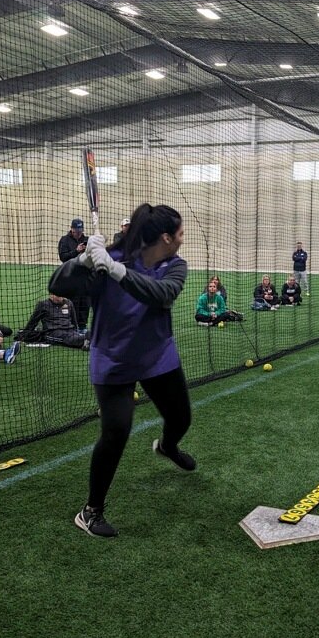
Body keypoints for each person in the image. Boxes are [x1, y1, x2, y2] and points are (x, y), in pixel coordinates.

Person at [49, 202, 195, 539]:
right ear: (165, 237)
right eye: (180, 233)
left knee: (181, 419)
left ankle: (168, 447)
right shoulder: (109, 255)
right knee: (116, 431)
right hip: (113, 358)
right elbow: (57, 286)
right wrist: (81, 261)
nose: (182, 238)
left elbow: (162, 295)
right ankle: (91, 511)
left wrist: (117, 272)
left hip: (157, 356)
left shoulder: (174, 265)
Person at [17, 294, 88, 349]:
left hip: (70, 331)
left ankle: (88, 341)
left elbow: (74, 322)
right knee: (70, 339)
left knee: (79, 336)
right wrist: (25, 335)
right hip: (53, 332)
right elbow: (32, 322)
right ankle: (87, 341)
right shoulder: (43, 305)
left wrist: (76, 331)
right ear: (51, 295)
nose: (62, 297)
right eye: (59, 295)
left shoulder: (69, 303)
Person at [58, 218, 90, 332]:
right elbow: (63, 257)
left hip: (85, 275)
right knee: (73, 301)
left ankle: (82, 326)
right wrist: (76, 251)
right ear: (71, 229)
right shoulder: (65, 240)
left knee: (85, 302)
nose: (79, 232)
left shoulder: (87, 240)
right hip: (71, 275)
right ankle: (73, 326)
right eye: (76, 230)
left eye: (80, 230)